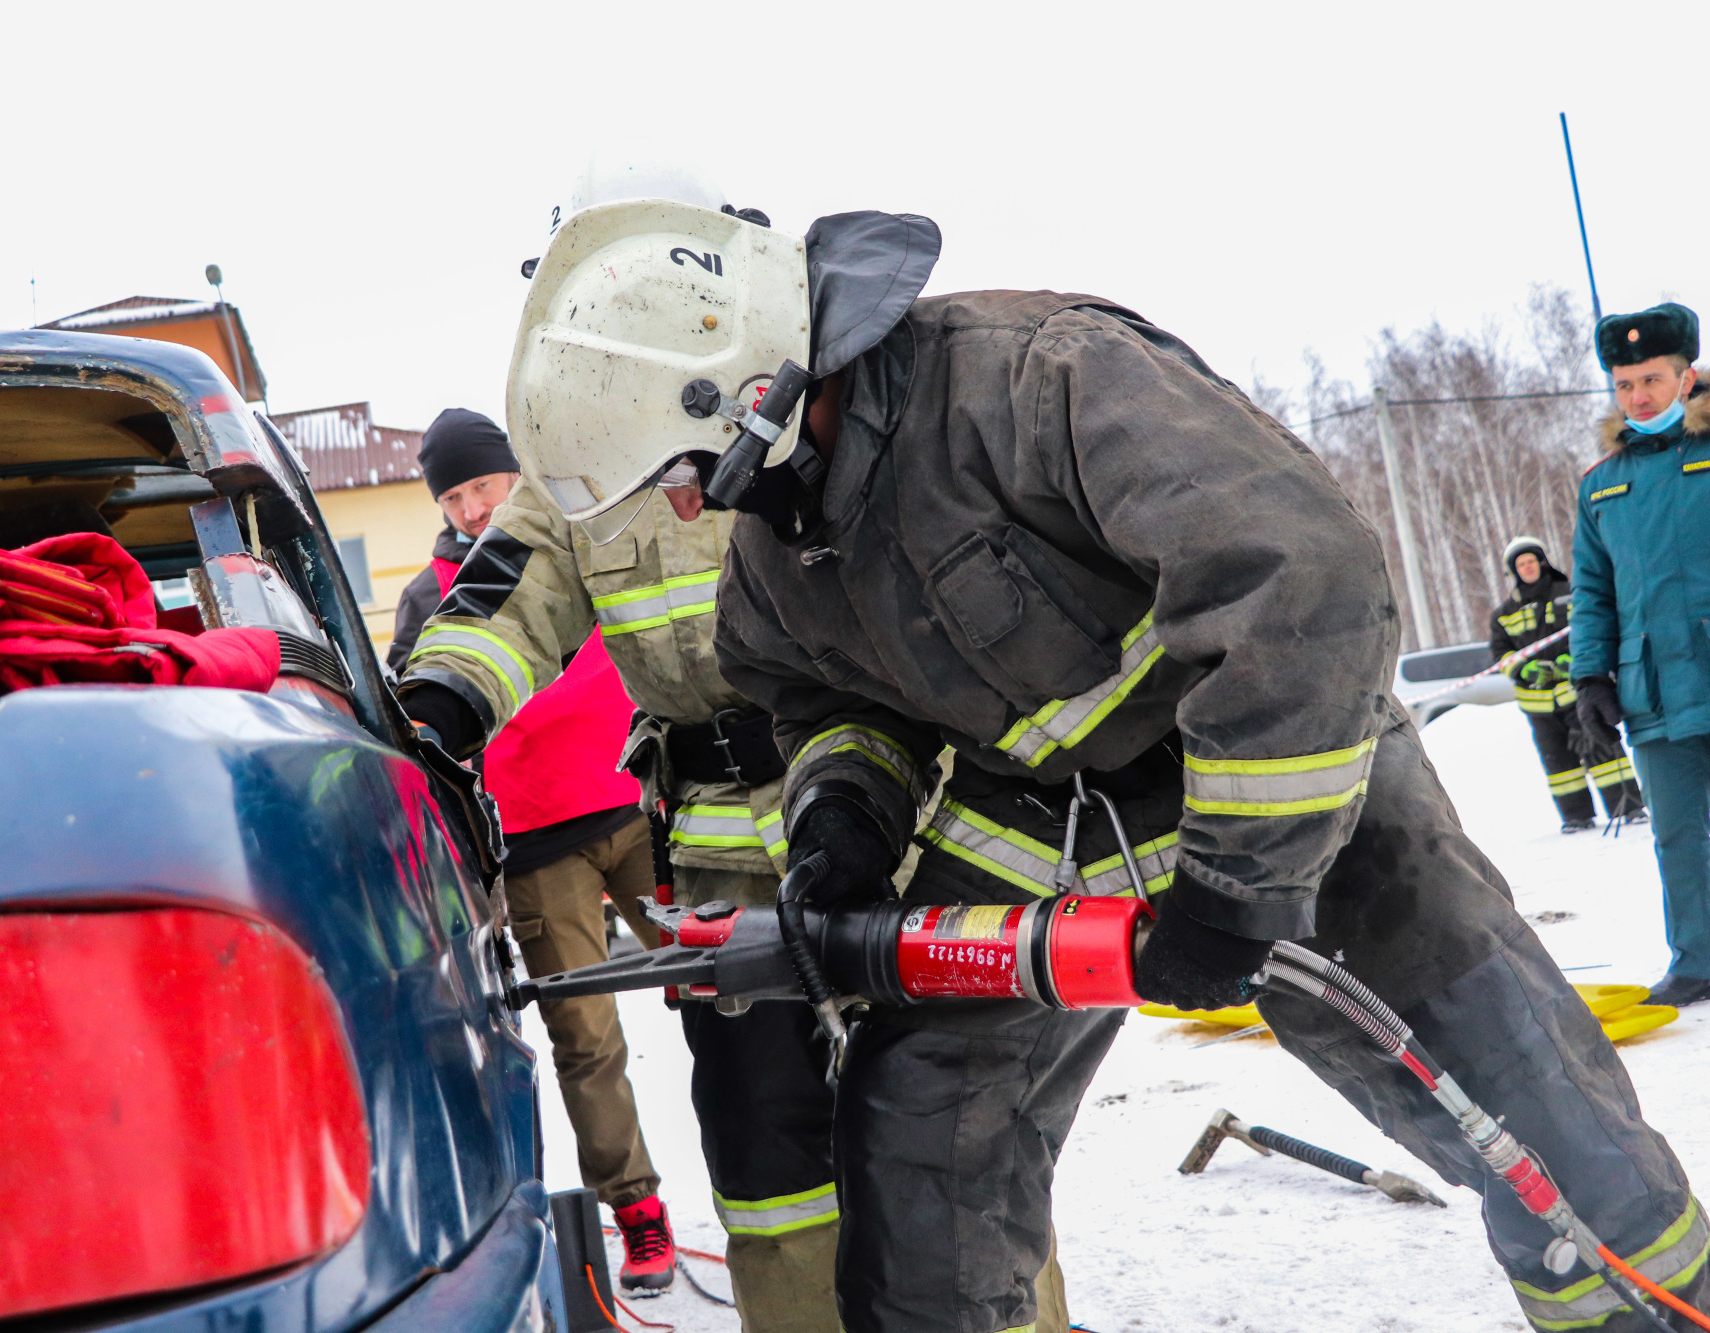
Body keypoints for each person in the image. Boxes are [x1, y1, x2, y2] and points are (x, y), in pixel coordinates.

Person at [506, 199, 1708, 1333]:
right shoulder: (778, 551)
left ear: (748, 389)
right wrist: (841, 812)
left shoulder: (1034, 376)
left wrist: (1238, 890)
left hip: (1279, 778)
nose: (682, 501)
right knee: (924, 1151)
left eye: (680, 463)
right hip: (1029, 833)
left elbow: (1298, 581)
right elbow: (815, 696)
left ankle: (1648, 1304)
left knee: (1539, 1128)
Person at [393, 165, 865, 1333]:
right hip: (718, 860)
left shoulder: (822, 395)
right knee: (765, 1153)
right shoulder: (577, 462)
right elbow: (504, 595)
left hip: (885, 826)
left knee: (945, 1130)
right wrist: (435, 719)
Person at [391, 408, 680, 1292]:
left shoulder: (586, 537)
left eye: (484, 484)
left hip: (640, 809)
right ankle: (636, 1210)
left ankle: (794, 1157)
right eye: (455, 494)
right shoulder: (426, 596)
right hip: (536, 846)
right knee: (585, 1038)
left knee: (727, 991)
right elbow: (420, 726)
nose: (475, 507)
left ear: (515, 476)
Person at [1572, 302, 1710, 1010]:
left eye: (1651, 379)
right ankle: (1698, 958)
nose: (1638, 397)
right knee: (1679, 833)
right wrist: (1591, 675)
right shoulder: (1601, 484)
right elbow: (1592, 593)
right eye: (1624, 385)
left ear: (1687, 376)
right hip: (1653, 687)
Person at [1488, 535, 1642, 831]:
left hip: (1578, 693)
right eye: (1521, 564)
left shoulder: (1572, 593)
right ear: (1513, 571)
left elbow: (1591, 628)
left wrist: (1575, 662)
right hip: (1539, 706)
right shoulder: (1503, 614)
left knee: (1603, 749)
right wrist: (1525, 670)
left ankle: (1629, 807)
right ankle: (1576, 816)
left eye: (1532, 560)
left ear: (1542, 562)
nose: (1528, 567)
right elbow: (1500, 654)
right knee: (1559, 765)